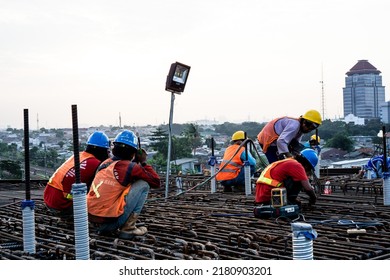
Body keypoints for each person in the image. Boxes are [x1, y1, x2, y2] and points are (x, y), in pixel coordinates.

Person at [87, 129, 160, 238]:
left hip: (90, 221)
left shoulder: (105, 164)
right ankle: (128, 229)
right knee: (143, 184)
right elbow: (156, 182)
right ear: (133, 152)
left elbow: (122, 169)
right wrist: (143, 161)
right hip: (109, 225)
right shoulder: (131, 167)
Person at [43, 131, 110, 218]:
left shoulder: (78, 155)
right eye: (107, 151)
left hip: (48, 198)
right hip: (62, 205)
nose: (108, 154)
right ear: (102, 150)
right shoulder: (95, 163)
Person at [257, 110, 322, 164]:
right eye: (308, 126)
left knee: (292, 156)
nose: (308, 129)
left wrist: (296, 155)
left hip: (277, 140)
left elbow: (295, 144)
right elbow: (281, 141)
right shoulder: (294, 125)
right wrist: (289, 157)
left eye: (312, 128)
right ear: (304, 122)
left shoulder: (301, 129)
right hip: (269, 140)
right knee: (277, 164)